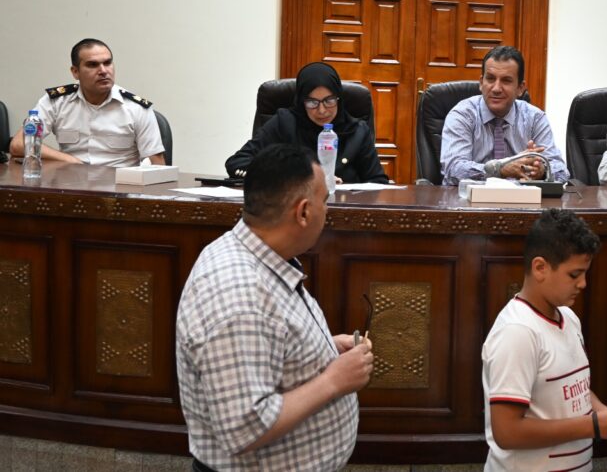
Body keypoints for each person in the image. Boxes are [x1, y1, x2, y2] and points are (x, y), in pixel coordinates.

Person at [176, 144, 374, 471]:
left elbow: (267, 343)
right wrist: (334, 381)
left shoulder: (256, 253)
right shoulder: (239, 294)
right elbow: (244, 428)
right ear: (303, 212)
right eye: (325, 201)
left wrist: (323, 348)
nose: (327, 211)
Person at [482, 209, 607, 470]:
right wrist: (594, 426)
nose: (583, 284)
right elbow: (507, 432)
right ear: (540, 268)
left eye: (585, 274)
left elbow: (574, 390)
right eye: (574, 274)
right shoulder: (518, 332)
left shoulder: (569, 318)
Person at [9, 38, 165, 167]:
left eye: (107, 63)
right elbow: (18, 145)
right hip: (70, 185)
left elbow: (158, 165)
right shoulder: (56, 102)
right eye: (93, 65)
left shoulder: (136, 108)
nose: (103, 71)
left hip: (120, 188)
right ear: (75, 72)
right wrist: (71, 161)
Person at [226, 62, 388, 184]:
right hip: (289, 211)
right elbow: (237, 163)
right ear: (301, 101)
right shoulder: (284, 123)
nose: (322, 110)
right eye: (312, 102)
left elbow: (378, 183)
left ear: (339, 98)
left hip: (344, 212)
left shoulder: (358, 132)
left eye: (329, 100)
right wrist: (297, 176)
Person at [440, 45, 569, 186]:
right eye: (490, 79)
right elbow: (453, 169)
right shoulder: (462, 115)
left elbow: (561, 171)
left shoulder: (535, 118)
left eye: (506, 80)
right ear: (481, 83)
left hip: (520, 198)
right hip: (470, 198)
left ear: (520, 88)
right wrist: (500, 169)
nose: (496, 88)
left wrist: (541, 171)